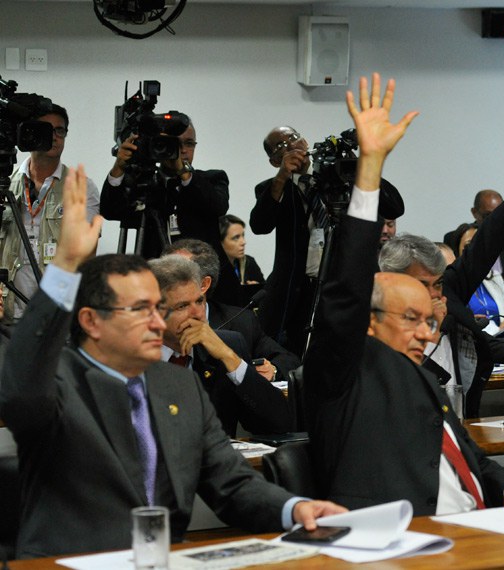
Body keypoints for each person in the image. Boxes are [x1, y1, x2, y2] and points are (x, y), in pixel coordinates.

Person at [0, 165, 343, 558]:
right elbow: (21, 381)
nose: (158, 322)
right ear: (92, 321)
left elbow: (230, 482)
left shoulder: (179, 385)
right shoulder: (58, 383)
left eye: (158, 308)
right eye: (141, 310)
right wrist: (64, 267)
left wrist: (294, 509)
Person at [304, 72, 504, 515]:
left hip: (474, 524)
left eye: (428, 315)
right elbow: (345, 291)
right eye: (410, 318)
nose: (429, 328)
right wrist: (369, 168)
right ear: (370, 319)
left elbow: (468, 457)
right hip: (398, 531)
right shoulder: (344, 367)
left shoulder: (424, 378)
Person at [380, 123, 504, 418]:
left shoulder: (448, 293)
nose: (434, 294)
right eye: (422, 285)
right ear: (393, 284)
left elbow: (487, 244)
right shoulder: (377, 324)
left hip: (464, 425)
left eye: (437, 283)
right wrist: (429, 330)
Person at [250, 125, 404, 355]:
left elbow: (394, 207)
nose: (292, 145)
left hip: (347, 287)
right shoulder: (273, 188)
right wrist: (282, 177)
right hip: (300, 292)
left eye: (294, 137)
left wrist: (363, 167)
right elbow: (260, 225)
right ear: (274, 161)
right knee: (298, 355)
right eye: (281, 145)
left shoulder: (340, 178)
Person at [149, 254, 294, 437]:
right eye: (182, 306)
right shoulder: (127, 356)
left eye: (199, 301)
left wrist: (230, 357)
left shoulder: (227, 345)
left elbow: (278, 423)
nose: (197, 314)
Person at [1, 103, 100, 321]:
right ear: (29, 134)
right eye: (46, 130)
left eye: (60, 130)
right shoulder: (6, 184)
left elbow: (86, 257)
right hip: (8, 312)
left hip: (55, 316)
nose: (54, 137)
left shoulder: (81, 187)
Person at [162, 239, 300, 389]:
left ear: (203, 284)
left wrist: (273, 370)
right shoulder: (150, 321)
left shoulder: (240, 323)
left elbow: (288, 360)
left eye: (177, 275)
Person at [100, 113, 229, 259]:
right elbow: (110, 211)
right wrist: (119, 167)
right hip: (155, 269)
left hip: (200, 269)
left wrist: (183, 171)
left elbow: (218, 207)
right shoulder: (145, 184)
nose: (182, 150)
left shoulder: (213, 178)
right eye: (174, 143)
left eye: (189, 143)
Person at [443, 189, 504, 303]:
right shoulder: (457, 237)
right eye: (488, 215)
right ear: (474, 212)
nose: (495, 221)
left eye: (499, 215)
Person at [452, 223, 504, 338]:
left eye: (480, 245)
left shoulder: (494, 278)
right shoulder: (452, 282)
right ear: (457, 251)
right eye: (469, 245)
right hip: (473, 338)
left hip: (500, 335)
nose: (475, 250)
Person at [216, 214, 265, 306]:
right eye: (236, 238)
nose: (243, 242)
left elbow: (265, 294)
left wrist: (255, 289)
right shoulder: (214, 269)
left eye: (243, 235)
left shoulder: (249, 263)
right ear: (220, 242)